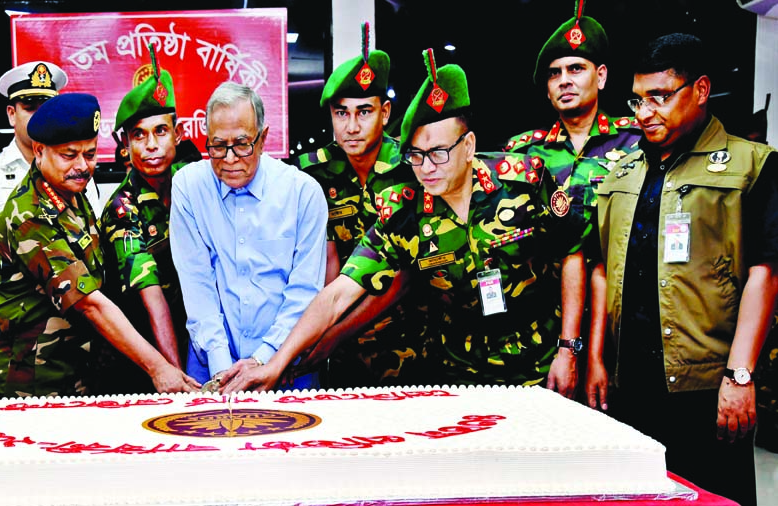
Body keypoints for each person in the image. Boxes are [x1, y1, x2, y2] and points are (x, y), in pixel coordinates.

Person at [222, 50, 580, 395]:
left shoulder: (525, 180)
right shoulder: (404, 212)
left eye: (439, 153)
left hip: (541, 362)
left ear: (468, 146)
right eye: (416, 155)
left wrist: (569, 349)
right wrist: (273, 362)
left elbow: (573, 253)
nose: (426, 168)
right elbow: (337, 293)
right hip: (460, 372)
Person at [593, 33, 778, 506]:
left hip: (704, 386)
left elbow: (766, 272)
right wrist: (593, 357)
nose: (645, 112)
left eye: (660, 96)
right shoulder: (621, 171)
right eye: (637, 99)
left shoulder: (751, 165)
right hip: (629, 384)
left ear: (698, 90)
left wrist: (739, 376)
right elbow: (600, 266)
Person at [0, 93, 189, 398]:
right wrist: (158, 368)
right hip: (23, 377)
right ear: (39, 151)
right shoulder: (31, 214)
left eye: (89, 155)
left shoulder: (72, 194)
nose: (82, 166)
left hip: (69, 369)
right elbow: (89, 303)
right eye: (69, 154)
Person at [502, 0, 642, 409]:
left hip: (616, 323)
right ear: (546, 89)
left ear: (600, 77)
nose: (564, 80)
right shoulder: (524, 154)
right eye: (554, 73)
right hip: (539, 328)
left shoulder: (637, 144)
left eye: (576, 69)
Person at [169, 81, 328, 391]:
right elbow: (197, 282)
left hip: (286, 365)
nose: (230, 159)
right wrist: (223, 371)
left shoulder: (302, 193)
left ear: (263, 137)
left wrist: (264, 359)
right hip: (211, 368)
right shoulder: (189, 187)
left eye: (242, 144)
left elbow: (304, 291)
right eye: (217, 146)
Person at [293, 22, 423, 387]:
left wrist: (336, 333)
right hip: (343, 341)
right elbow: (328, 261)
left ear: (384, 113)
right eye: (341, 113)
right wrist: (323, 333)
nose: (351, 126)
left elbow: (404, 278)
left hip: (410, 340)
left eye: (363, 112)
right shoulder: (319, 172)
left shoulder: (411, 169)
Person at [96, 54, 201, 394]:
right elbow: (151, 296)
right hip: (142, 362)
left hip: (195, 344)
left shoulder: (193, 188)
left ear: (179, 133)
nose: (152, 145)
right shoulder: (122, 207)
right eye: (139, 135)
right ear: (125, 144)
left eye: (160, 131)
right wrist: (176, 374)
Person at [0, 61, 102, 286]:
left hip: (79, 307)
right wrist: (52, 290)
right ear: (11, 114)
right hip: (18, 312)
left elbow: (95, 244)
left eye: (46, 106)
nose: (40, 116)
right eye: (30, 107)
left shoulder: (79, 173)